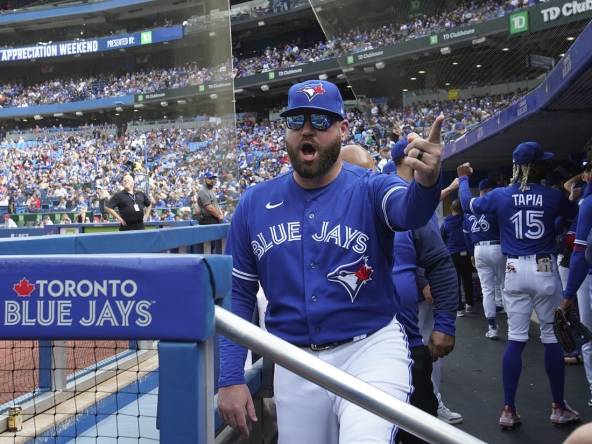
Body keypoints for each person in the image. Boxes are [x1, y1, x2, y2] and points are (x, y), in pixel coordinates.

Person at [218, 79, 445, 443]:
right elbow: (239, 294)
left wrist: (429, 182)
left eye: (321, 121)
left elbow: (409, 211)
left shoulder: (371, 187)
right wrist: (230, 375)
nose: (307, 130)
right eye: (297, 121)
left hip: (369, 350)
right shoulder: (254, 203)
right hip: (295, 361)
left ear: (342, 129)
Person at [457, 141, 580, 429]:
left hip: (513, 268)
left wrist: (464, 178)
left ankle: (508, 410)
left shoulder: (500, 195)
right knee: (551, 337)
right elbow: (572, 215)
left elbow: (467, 205)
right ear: (536, 166)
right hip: (545, 268)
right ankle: (558, 407)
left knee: (516, 338)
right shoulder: (551, 196)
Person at [389, 138, 463, 427]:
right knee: (418, 352)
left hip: (414, 291)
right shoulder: (396, 196)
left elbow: (434, 257)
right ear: (413, 160)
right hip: (410, 295)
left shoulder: (417, 195)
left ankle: (432, 399)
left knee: (420, 354)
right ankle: (431, 399)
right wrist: (422, 282)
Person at [561, 175, 592, 407]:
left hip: (587, 274)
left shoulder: (588, 202)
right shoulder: (586, 200)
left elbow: (580, 252)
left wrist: (569, 294)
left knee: (589, 335)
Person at [463, 178, 505, 340]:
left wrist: (472, 253)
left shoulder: (469, 210)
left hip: (479, 248)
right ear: (490, 190)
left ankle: (492, 327)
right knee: (505, 286)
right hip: (497, 247)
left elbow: (466, 237)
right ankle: (514, 324)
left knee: (487, 289)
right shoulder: (494, 206)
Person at [440, 199, 474, 317]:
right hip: (466, 254)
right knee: (467, 279)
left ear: (451, 209)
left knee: (456, 282)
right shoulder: (467, 220)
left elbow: (442, 238)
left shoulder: (446, 223)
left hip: (452, 255)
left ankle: (459, 309)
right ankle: (469, 304)